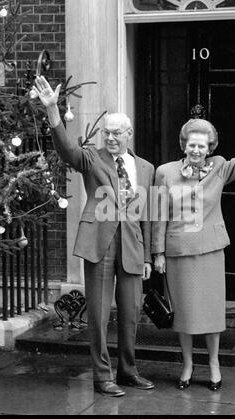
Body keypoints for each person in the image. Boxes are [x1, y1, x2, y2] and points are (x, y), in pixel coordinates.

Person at [33, 76, 155, 398]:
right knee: (99, 315)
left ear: (129, 134)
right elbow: (67, 150)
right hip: (99, 243)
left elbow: (146, 215)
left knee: (132, 312)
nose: (111, 137)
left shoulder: (145, 168)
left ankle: (128, 371)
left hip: (131, 245)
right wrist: (53, 112)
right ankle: (103, 377)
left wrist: (147, 257)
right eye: (107, 132)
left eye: (117, 133)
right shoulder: (92, 157)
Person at [152, 101, 235, 391]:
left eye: (202, 146)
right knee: (185, 314)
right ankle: (187, 364)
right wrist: (158, 253)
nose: (196, 151)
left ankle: (213, 363)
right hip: (178, 252)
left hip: (211, 252)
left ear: (210, 148)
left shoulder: (220, 168)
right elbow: (158, 215)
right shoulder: (165, 172)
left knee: (211, 313)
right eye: (192, 145)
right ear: (183, 145)